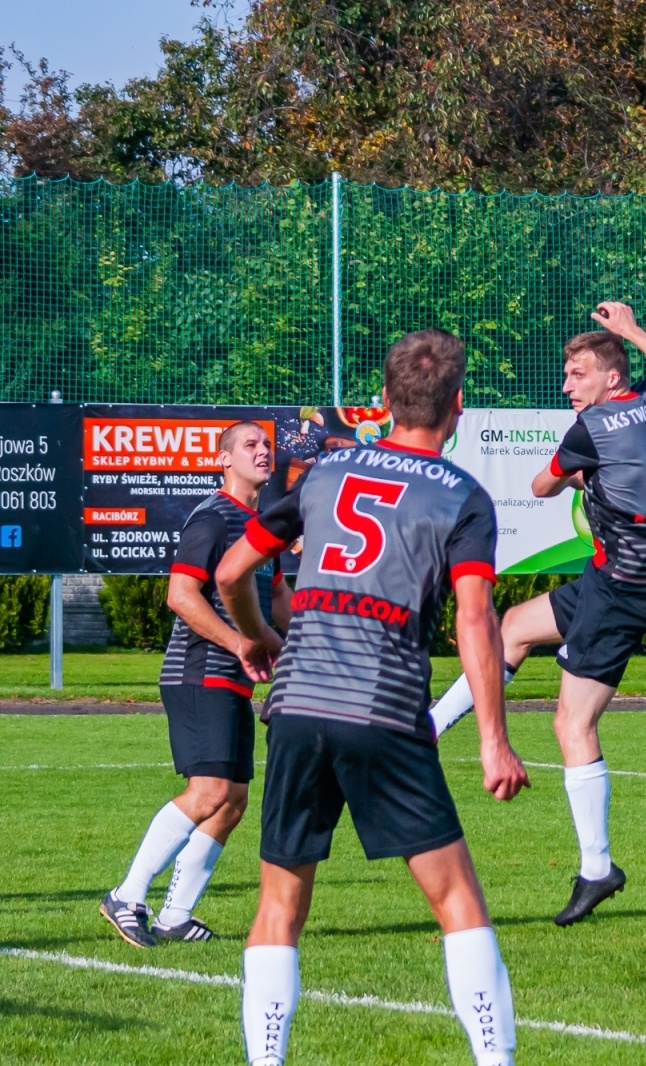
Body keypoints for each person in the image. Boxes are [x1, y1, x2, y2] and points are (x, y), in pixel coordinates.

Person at [216, 329, 529, 1066]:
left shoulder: (323, 475)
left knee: (280, 908)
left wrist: (257, 637)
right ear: (458, 406)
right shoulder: (462, 498)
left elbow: (233, 572)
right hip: (383, 708)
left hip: (297, 706)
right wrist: (492, 740)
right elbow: (475, 617)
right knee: (457, 903)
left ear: (382, 401)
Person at [427, 302, 646, 926]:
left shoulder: (591, 430)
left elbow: (543, 486)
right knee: (512, 626)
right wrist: (629, 330)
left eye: (577, 374)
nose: (566, 385)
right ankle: (427, 731)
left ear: (611, 380)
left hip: (624, 585)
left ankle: (597, 867)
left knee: (572, 726)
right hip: (628, 574)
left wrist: (581, 475)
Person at [99, 421, 290, 947]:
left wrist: (313, 647)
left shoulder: (261, 529)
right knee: (208, 793)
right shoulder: (213, 517)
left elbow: (278, 606)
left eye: (266, 445)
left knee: (232, 802)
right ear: (222, 460)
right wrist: (239, 644)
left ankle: (174, 915)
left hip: (234, 683)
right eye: (249, 445)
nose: (262, 452)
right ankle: (127, 896)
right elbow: (181, 596)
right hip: (198, 673)